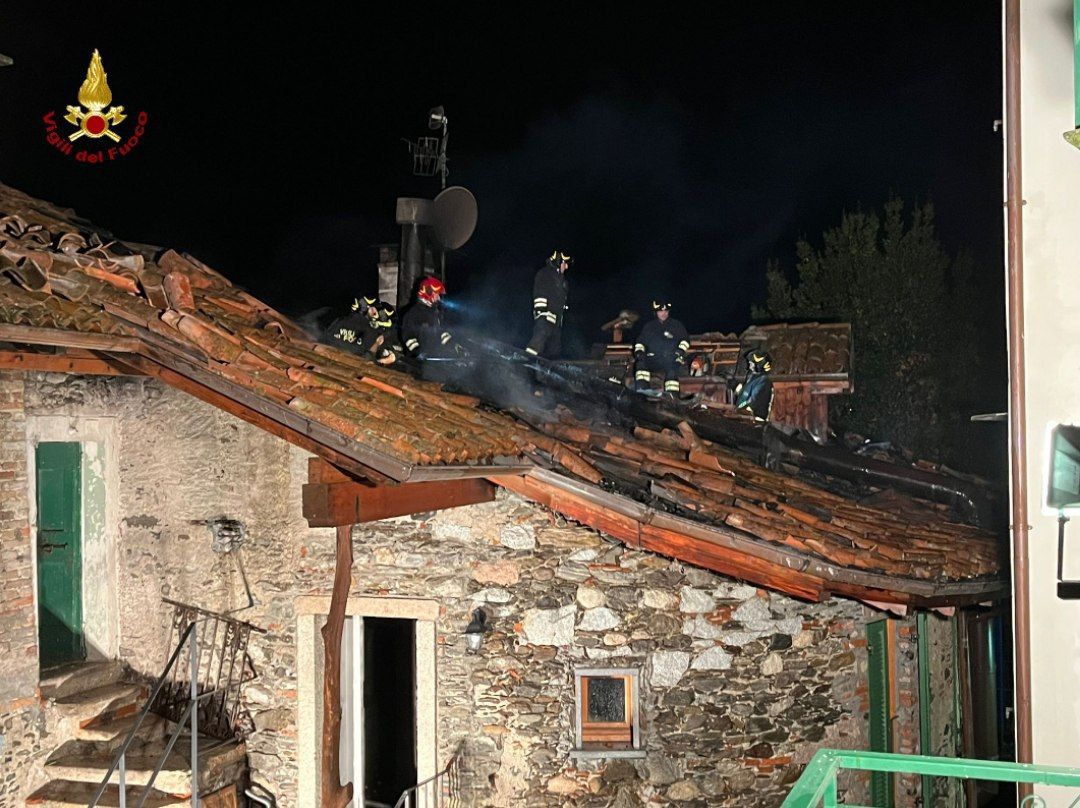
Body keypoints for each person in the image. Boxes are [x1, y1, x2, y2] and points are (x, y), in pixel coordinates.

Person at [400, 276, 463, 380]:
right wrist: (418, 353)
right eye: (436, 294)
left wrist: (455, 346)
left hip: (435, 362)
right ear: (427, 292)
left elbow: (442, 334)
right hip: (418, 368)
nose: (438, 297)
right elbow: (408, 337)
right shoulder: (413, 313)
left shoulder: (434, 313)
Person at [633, 300, 690, 398]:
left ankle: (673, 397)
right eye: (660, 311)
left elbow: (685, 341)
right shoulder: (649, 326)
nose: (664, 313)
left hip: (672, 358)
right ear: (655, 313)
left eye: (666, 311)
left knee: (672, 372)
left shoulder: (676, 325)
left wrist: (680, 351)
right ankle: (643, 392)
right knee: (641, 365)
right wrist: (639, 352)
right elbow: (640, 342)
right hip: (654, 359)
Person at [525, 250, 571, 359]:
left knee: (555, 348)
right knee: (538, 340)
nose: (567, 267)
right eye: (565, 263)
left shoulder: (561, 280)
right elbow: (540, 294)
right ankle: (526, 361)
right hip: (545, 317)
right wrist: (543, 312)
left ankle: (549, 370)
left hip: (556, 320)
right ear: (558, 262)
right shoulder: (545, 274)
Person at [734, 349, 774, 421]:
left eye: (751, 363)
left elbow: (753, 401)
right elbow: (745, 395)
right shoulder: (752, 377)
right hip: (744, 416)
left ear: (759, 365)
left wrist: (739, 409)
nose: (749, 366)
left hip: (754, 419)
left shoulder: (763, 380)